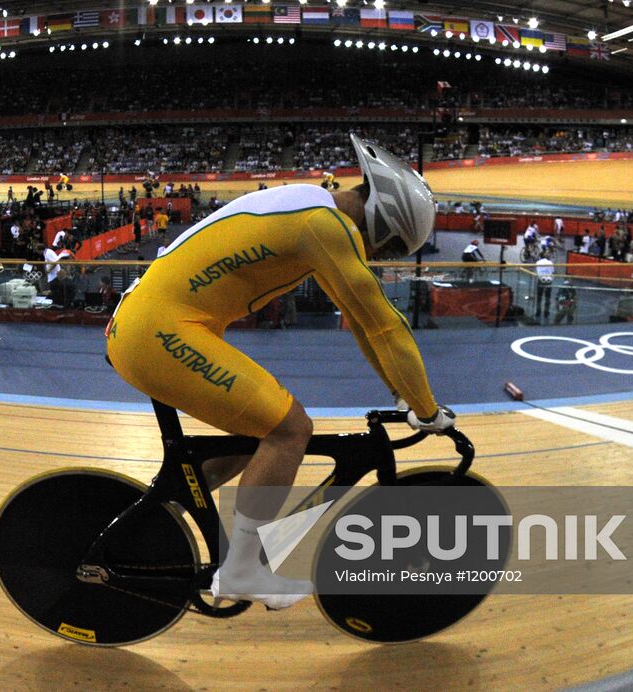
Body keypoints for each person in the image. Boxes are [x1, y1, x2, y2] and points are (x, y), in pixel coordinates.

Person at [106, 133, 449, 610]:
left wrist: (401, 393)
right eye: (385, 245)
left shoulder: (309, 205)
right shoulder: (325, 226)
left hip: (150, 324)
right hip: (159, 331)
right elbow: (384, 326)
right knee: (291, 430)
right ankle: (243, 568)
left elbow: (363, 326)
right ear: (382, 219)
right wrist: (428, 409)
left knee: (256, 436)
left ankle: (160, 522)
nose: (374, 254)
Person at [534, 253, 555, 320]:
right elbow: (552, 271)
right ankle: (546, 312)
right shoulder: (550, 262)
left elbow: (537, 271)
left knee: (539, 297)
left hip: (541, 280)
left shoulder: (538, 262)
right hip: (548, 280)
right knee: (547, 297)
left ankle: (538, 312)